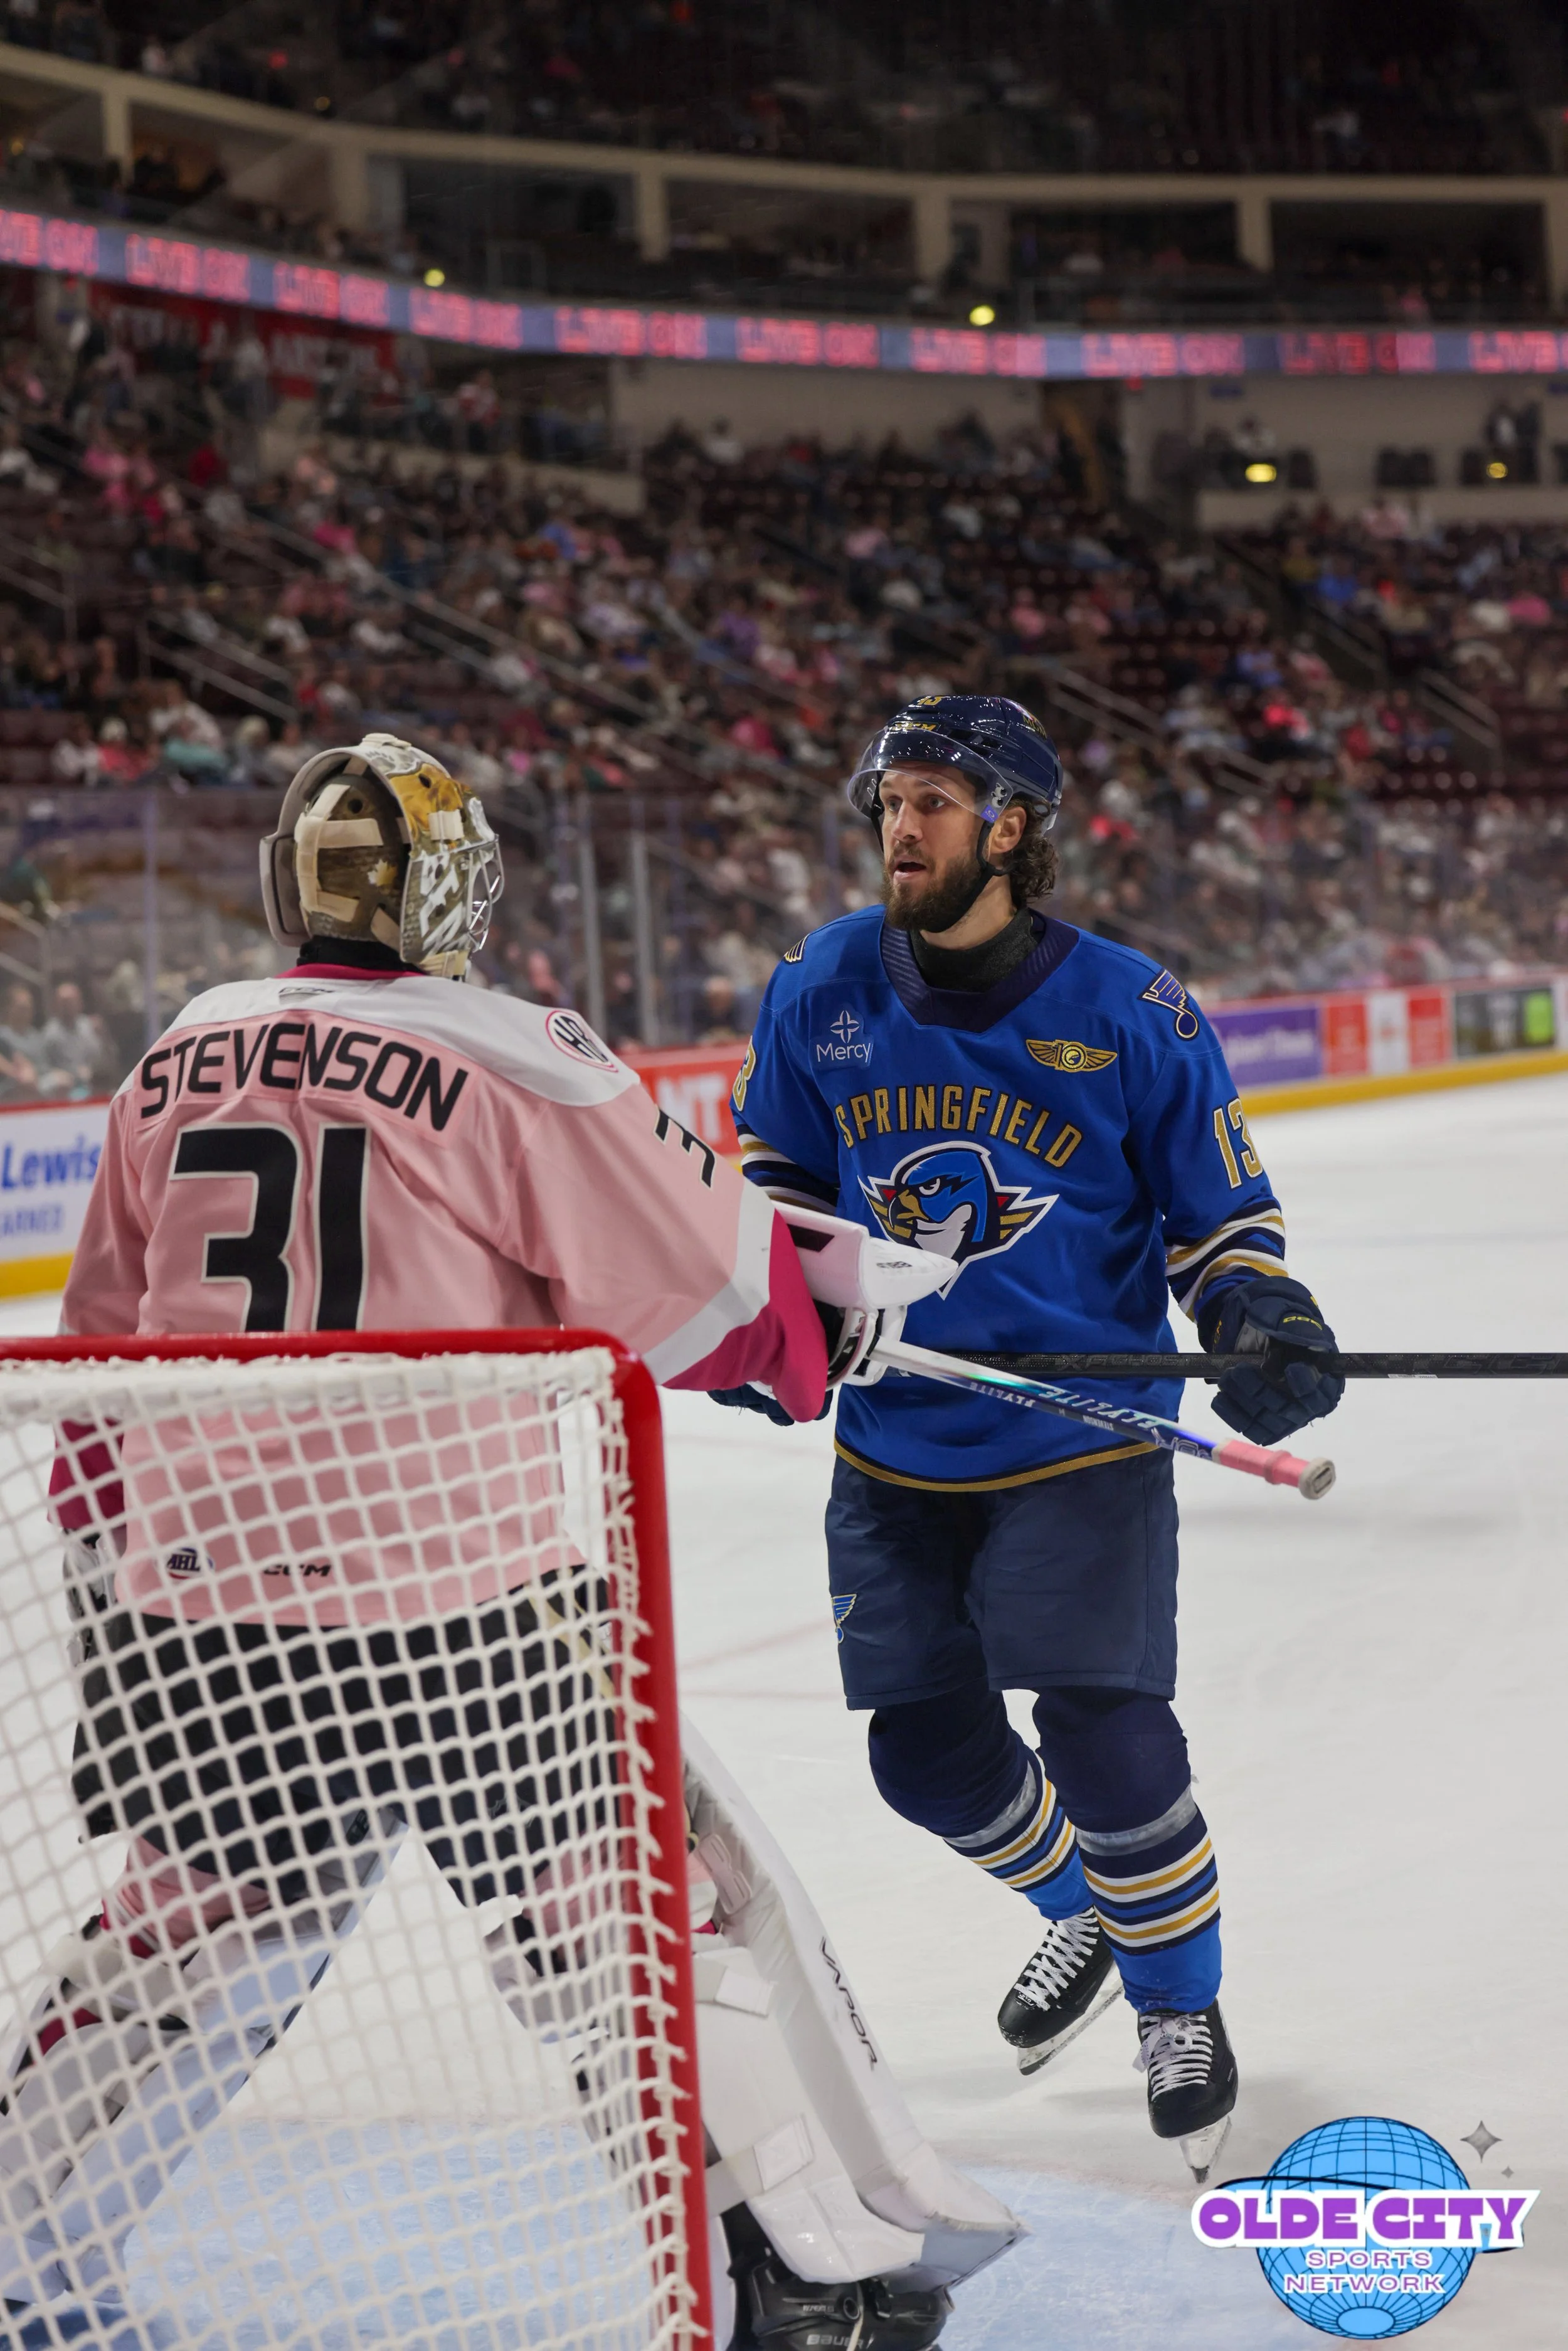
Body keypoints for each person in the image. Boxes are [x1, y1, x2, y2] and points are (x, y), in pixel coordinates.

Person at [1, 733, 890, 2338]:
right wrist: (818, 1345)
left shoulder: (176, 1048)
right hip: (455, 1594)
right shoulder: (514, 1049)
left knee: (183, 1923)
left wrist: (125, 1579)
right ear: (448, 882)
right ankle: (782, 2270)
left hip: (192, 1596)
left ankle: (20, 2252)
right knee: (607, 1905)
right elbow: (715, 1300)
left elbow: (102, 1358)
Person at [723, 694, 1344, 2179]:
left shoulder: (1132, 1010)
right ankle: (1086, 1903)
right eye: (891, 799)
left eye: (936, 800)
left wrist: (1256, 1315)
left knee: (1107, 1735)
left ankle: (1173, 2002)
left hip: (1081, 1437)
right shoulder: (821, 983)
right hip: (894, 1440)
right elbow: (770, 1178)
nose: (902, 826)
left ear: (1011, 826)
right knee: (925, 1760)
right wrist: (770, 1314)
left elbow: (1220, 1220)